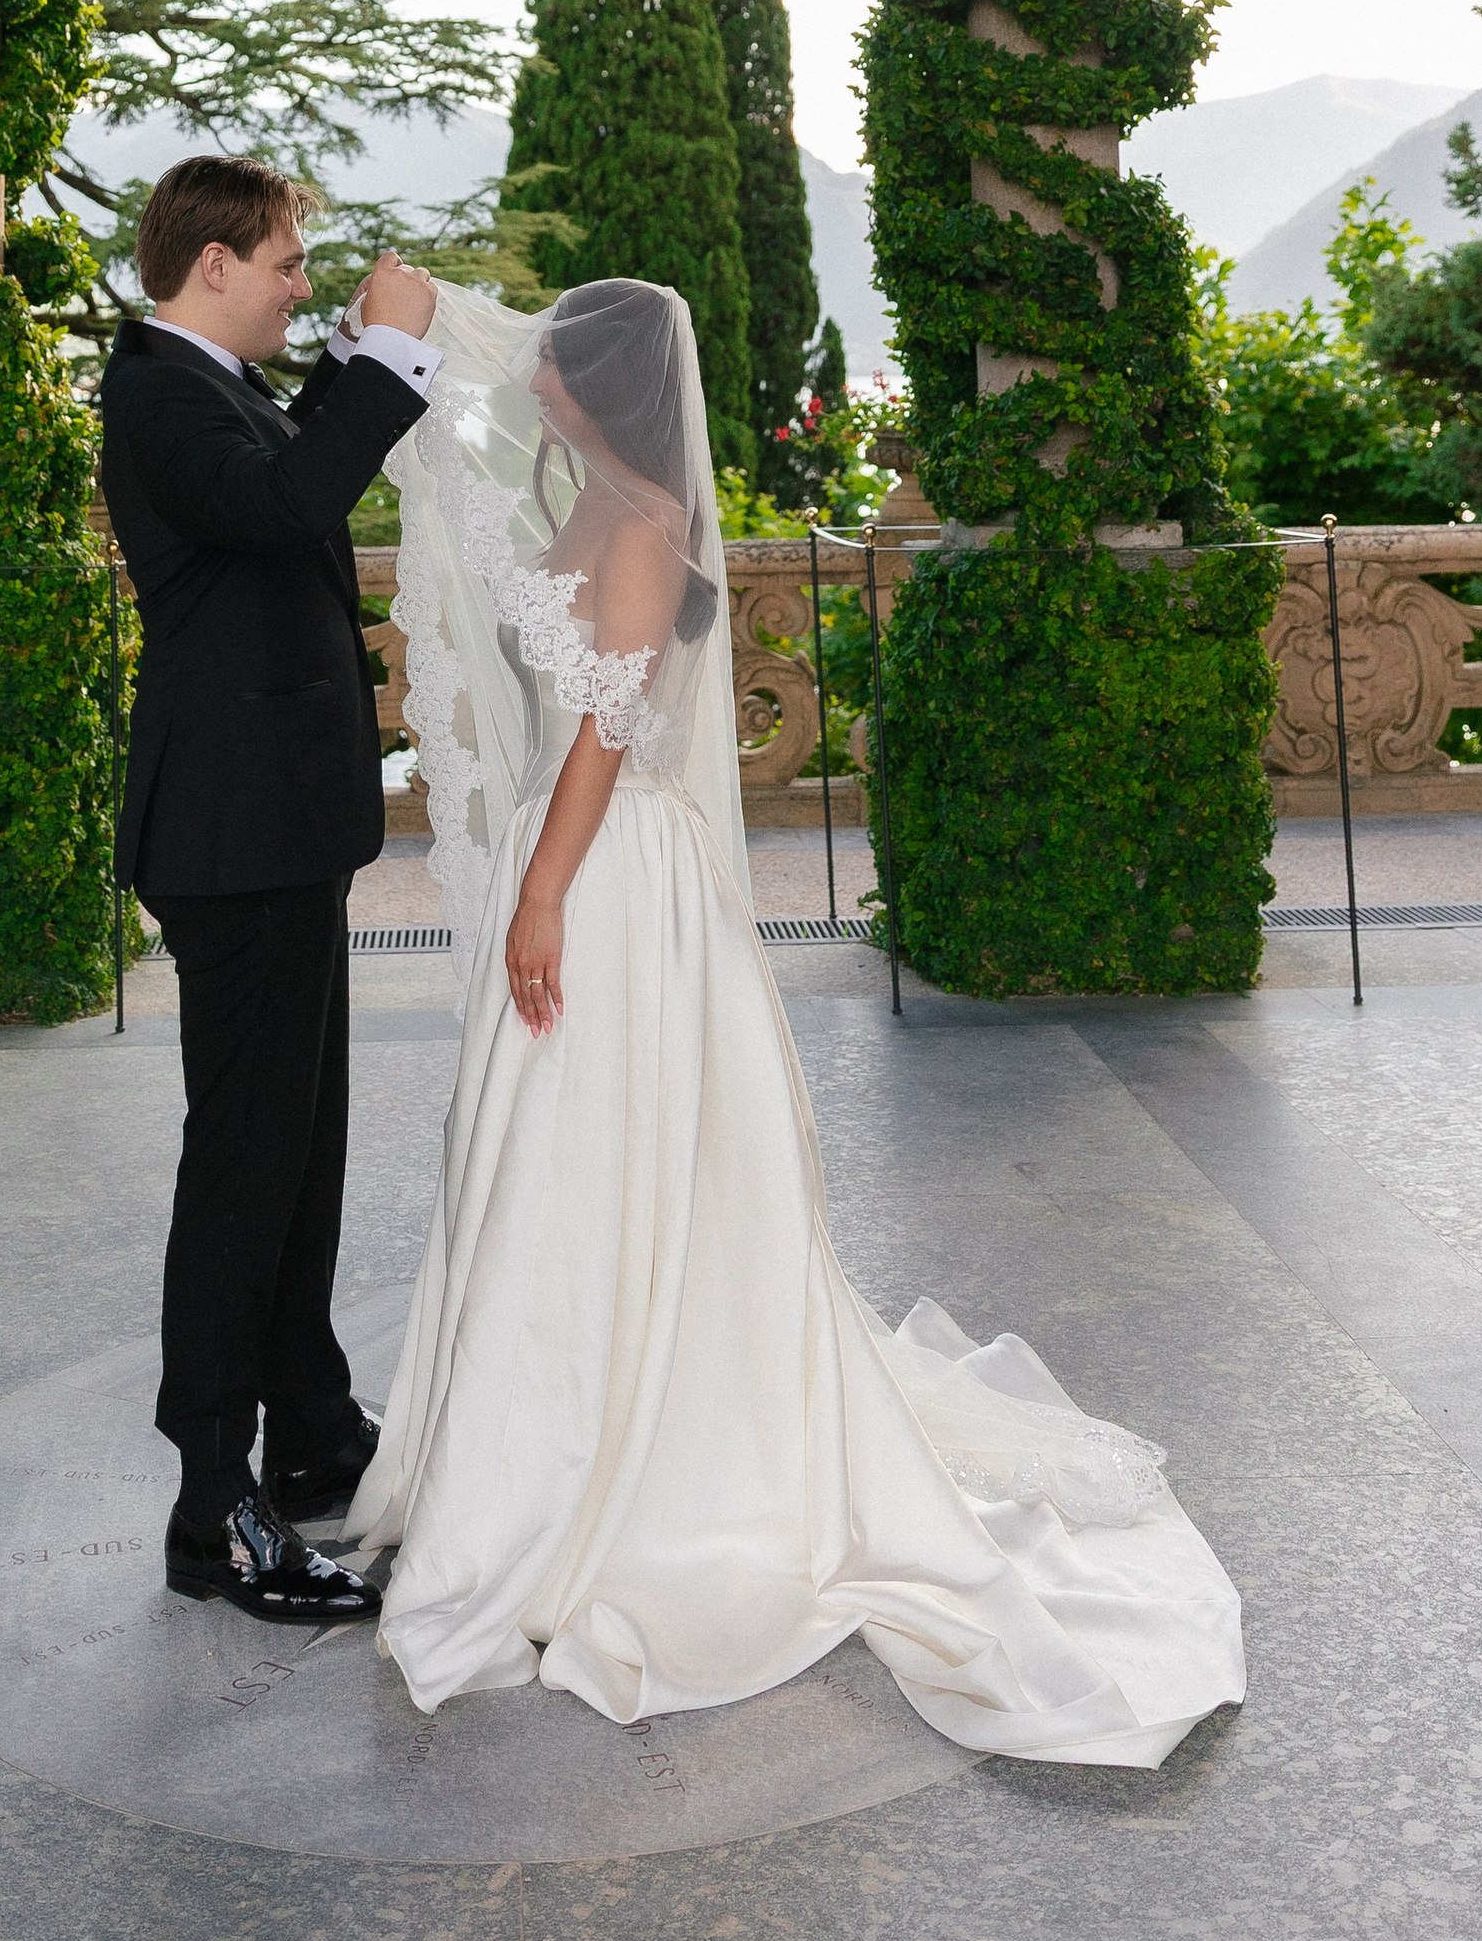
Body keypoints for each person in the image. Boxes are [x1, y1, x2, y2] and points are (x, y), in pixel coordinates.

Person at [348, 275, 1247, 1765]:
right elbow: (486, 537)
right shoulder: (585, 496)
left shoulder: (640, 527)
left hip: (613, 874)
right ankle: (518, 1450)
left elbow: (603, 729)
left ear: (608, 386)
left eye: (562, 363)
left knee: (617, 1156)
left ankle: (634, 1469)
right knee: (537, 1170)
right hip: (568, 861)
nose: (543, 380)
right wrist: (420, 361)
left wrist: (545, 893)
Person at [99, 156, 438, 1623]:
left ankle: (309, 1437)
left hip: (279, 833)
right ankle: (211, 1506)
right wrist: (391, 354)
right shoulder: (159, 394)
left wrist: (353, 365)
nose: (306, 286)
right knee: (243, 1166)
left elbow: (288, 479)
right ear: (215, 265)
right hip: (233, 843)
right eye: (290, 264)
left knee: (300, 1149)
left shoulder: (212, 386)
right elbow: (297, 494)